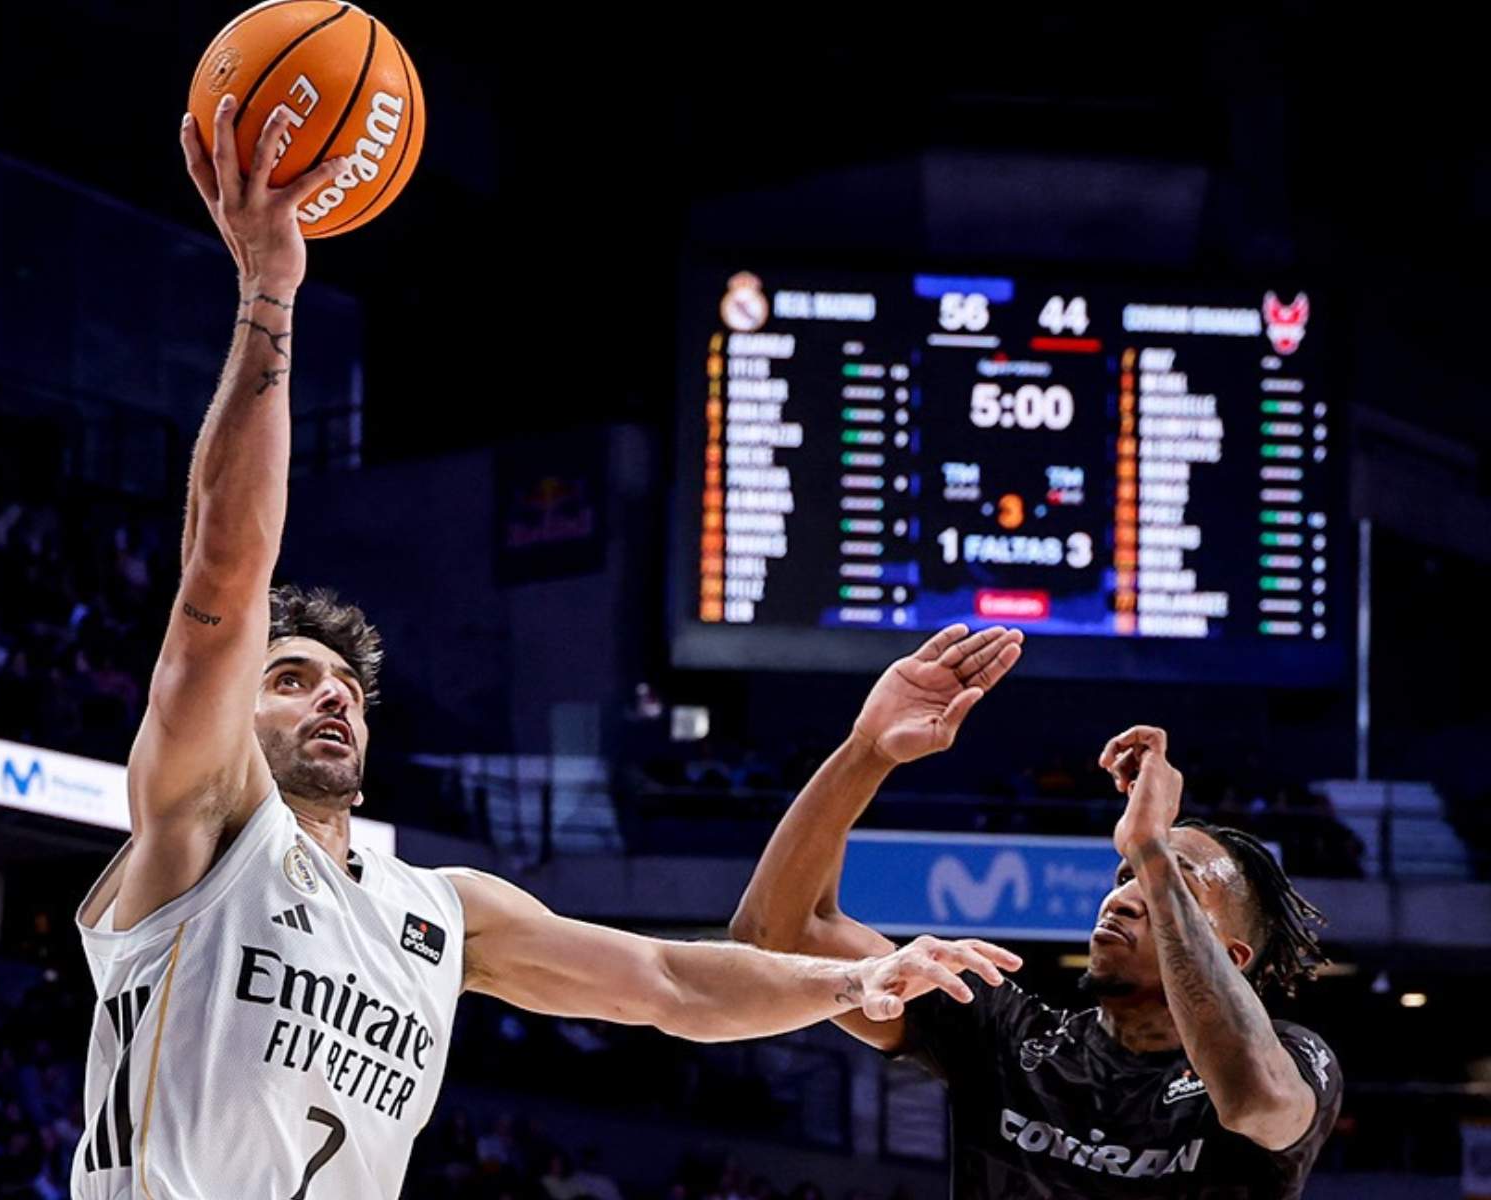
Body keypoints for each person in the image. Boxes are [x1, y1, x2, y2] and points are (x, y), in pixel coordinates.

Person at [66, 96, 1022, 1200]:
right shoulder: (197, 824)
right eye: (288, 680)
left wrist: (854, 985)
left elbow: (668, 979)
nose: (331, 700)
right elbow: (224, 572)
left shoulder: (441, 910)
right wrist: (270, 293)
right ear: (230, 713)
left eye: (346, 689)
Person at [730, 630, 1341, 1198]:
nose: (1125, 893)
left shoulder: (1295, 1060)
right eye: (1125, 875)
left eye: (1168, 887)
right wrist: (866, 752)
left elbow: (1254, 1103)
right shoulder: (1005, 1031)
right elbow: (774, 935)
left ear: (1233, 956)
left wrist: (1153, 849)